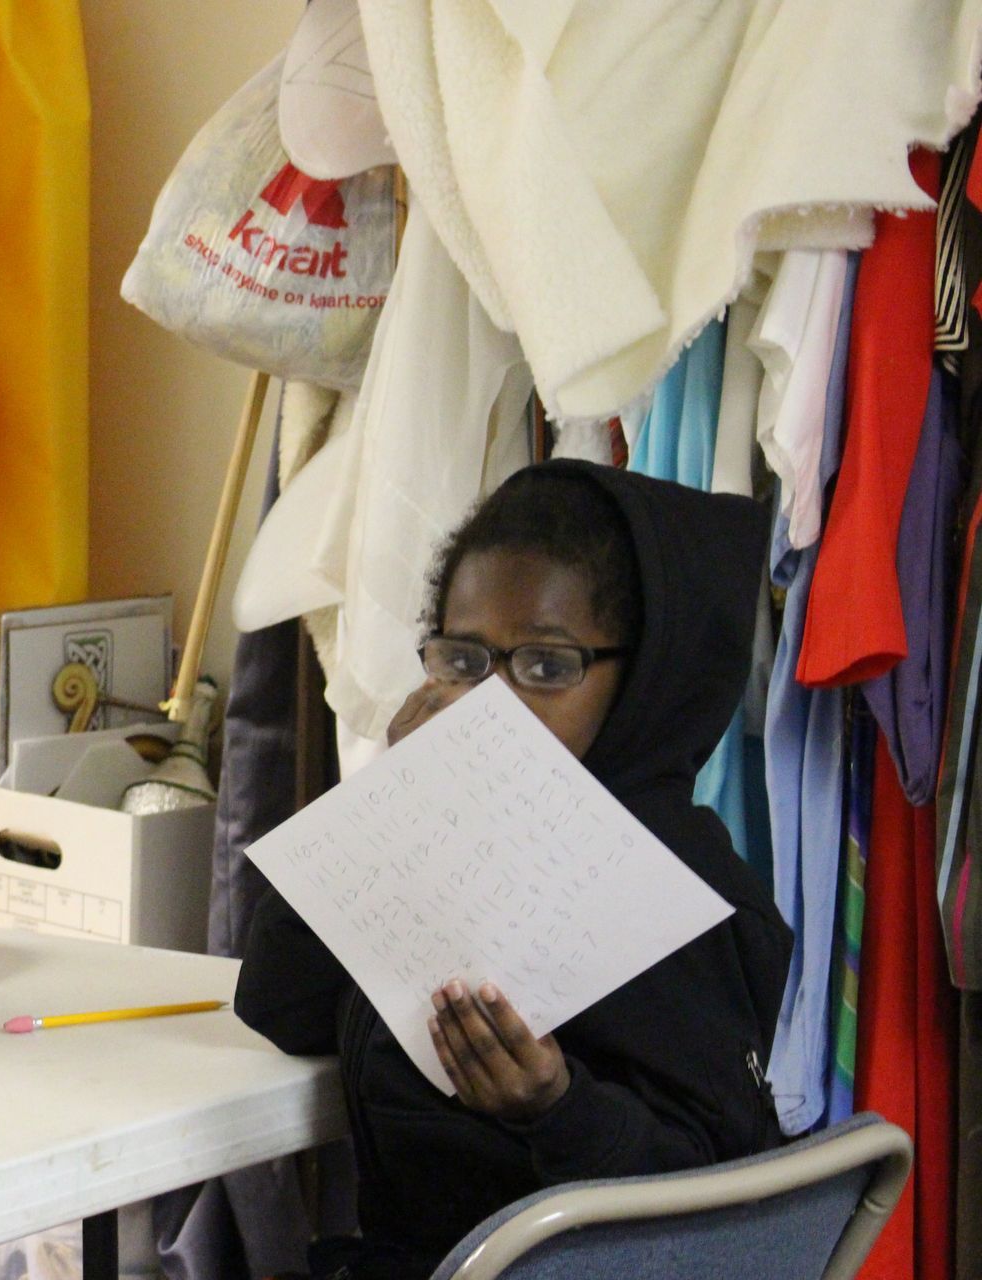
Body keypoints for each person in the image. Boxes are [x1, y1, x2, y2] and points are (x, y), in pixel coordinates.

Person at [234, 461, 793, 1279]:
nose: (488, 702)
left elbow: (719, 1222)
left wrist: (557, 1107)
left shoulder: (684, 901)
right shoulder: (455, 843)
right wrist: (393, 801)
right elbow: (279, 1005)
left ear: (640, 680)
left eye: (547, 667)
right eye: (463, 660)